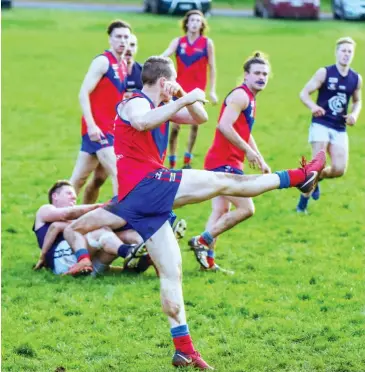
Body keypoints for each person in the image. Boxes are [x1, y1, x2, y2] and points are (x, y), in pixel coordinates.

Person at [63, 56, 326, 370]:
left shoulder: (164, 102)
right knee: (225, 181)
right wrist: (183, 97)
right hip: (148, 185)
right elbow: (142, 122)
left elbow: (200, 117)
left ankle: (184, 349)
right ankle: (300, 177)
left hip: (143, 200)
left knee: (172, 273)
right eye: (170, 81)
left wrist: (180, 95)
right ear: (162, 81)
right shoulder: (134, 102)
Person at [188, 52, 272, 271]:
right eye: (257, 73)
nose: (261, 77)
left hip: (230, 161)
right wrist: (247, 151)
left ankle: (208, 261)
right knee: (246, 208)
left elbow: (245, 130)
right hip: (222, 162)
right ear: (246, 75)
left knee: (220, 211)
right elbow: (224, 126)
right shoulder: (240, 96)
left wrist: (258, 156)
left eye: (265, 74)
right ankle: (201, 240)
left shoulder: (251, 98)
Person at [296, 36, 362, 213]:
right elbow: (304, 93)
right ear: (336, 52)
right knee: (317, 163)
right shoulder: (324, 73)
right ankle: (302, 205)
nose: (346, 54)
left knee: (339, 169)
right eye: (343, 50)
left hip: (339, 127)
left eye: (350, 51)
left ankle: (315, 179)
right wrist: (313, 106)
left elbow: (357, 101)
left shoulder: (356, 78)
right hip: (321, 123)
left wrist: (354, 115)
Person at [70, 20, 131, 204]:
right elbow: (83, 93)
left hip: (110, 130)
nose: (122, 41)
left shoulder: (122, 66)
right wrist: (91, 125)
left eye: (126, 37)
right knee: (119, 172)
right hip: (98, 131)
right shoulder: (103, 61)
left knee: (81, 180)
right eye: (118, 37)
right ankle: (123, 220)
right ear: (110, 40)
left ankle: (62, 215)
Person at [33, 180, 150, 276]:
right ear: (55, 196)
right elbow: (61, 219)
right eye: (68, 193)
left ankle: (140, 259)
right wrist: (100, 207)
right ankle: (128, 251)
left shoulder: (76, 219)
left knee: (116, 235)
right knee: (101, 232)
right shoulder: (45, 209)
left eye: (74, 195)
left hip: (75, 257)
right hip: (60, 258)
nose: (73, 197)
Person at [161, 10, 218, 169]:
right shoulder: (178, 42)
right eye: (192, 20)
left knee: (195, 123)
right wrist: (154, 63)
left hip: (197, 91)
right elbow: (165, 55)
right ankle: (172, 161)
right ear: (186, 23)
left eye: (198, 21)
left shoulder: (207, 43)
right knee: (175, 126)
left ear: (202, 24)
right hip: (178, 90)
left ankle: (187, 159)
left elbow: (212, 67)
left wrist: (212, 90)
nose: (194, 23)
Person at [124, 34, 143, 98]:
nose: (128, 48)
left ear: (136, 48)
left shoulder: (144, 70)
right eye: (126, 44)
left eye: (132, 45)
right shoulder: (110, 72)